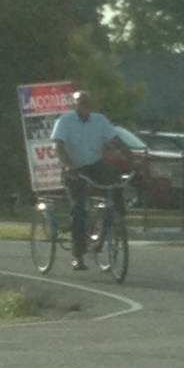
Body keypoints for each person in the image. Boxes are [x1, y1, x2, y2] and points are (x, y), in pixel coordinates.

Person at [51, 90, 133, 270]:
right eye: (81, 103)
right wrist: (69, 166)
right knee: (79, 209)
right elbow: (59, 146)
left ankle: (118, 218)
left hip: (95, 164)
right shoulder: (65, 121)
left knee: (115, 181)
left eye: (87, 103)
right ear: (75, 105)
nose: (85, 106)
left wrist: (132, 158)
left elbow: (116, 140)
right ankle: (78, 255)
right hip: (75, 168)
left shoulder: (100, 120)